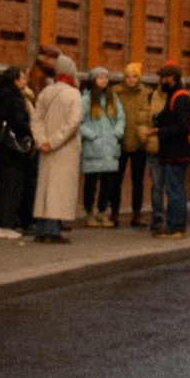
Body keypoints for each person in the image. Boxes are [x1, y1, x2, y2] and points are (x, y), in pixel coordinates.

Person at [28, 53, 84, 243]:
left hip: (45, 149)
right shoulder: (74, 94)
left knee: (45, 187)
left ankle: (42, 229)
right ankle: (52, 230)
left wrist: (41, 140)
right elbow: (73, 122)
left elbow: (36, 119)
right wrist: (54, 142)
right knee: (59, 189)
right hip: (64, 149)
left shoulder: (45, 92)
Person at [0, 65, 36, 241]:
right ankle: (4, 226)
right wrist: (32, 129)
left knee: (3, 187)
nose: (26, 81)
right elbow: (20, 123)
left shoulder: (1, 96)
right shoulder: (14, 98)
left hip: (1, 147)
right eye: (23, 78)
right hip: (13, 150)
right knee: (12, 188)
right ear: (15, 80)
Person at [153, 68, 190, 231]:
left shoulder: (180, 97)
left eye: (162, 78)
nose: (160, 82)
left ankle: (176, 225)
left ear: (171, 78)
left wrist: (160, 131)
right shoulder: (174, 96)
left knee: (175, 190)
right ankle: (176, 224)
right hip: (173, 152)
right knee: (175, 189)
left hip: (176, 153)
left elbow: (182, 127)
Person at [80, 69, 125, 224]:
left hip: (110, 147)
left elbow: (121, 117)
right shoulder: (85, 99)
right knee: (91, 183)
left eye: (106, 77)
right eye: (100, 77)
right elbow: (79, 122)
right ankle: (89, 212)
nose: (104, 80)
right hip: (94, 146)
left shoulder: (112, 97)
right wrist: (92, 136)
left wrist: (117, 133)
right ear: (93, 79)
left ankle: (102, 211)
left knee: (108, 182)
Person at [120, 67, 160, 229]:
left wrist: (145, 133)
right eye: (128, 77)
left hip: (140, 143)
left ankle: (137, 214)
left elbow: (149, 116)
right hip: (121, 142)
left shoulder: (146, 93)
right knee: (117, 180)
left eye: (134, 77)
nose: (131, 80)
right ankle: (114, 213)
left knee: (138, 181)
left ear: (139, 78)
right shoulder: (117, 93)